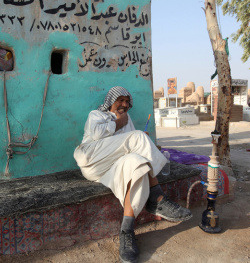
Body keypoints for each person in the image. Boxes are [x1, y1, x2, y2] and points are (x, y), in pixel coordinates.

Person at [74, 86, 192, 263]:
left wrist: (138, 138)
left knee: (138, 163)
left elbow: (133, 144)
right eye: (120, 100)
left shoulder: (127, 120)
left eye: (127, 101)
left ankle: (127, 230)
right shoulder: (97, 115)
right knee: (137, 138)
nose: (124, 104)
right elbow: (97, 134)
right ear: (110, 101)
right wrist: (119, 123)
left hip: (111, 166)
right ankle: (157, 197)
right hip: (91, 159)